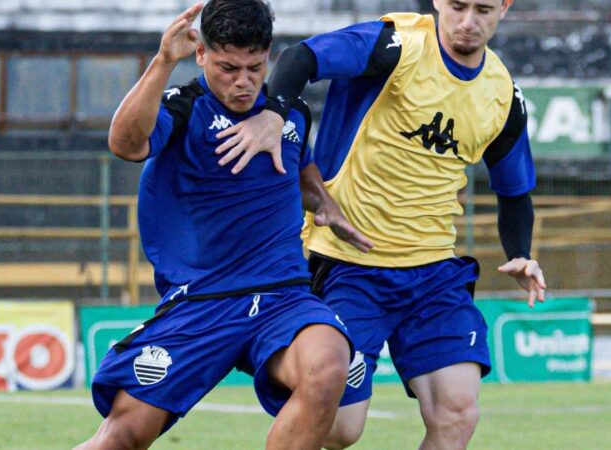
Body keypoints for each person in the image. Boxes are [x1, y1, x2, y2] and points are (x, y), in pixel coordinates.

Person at [213, 0, 547, 449]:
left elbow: (514, 192)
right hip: (348, 265)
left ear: (505, 6)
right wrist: (273, 114)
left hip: (433, 274)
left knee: (458, 412)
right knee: (340, 429)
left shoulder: (503, 95)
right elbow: (301, 57)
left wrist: (520, 253)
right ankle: (265, 345)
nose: (468, 22)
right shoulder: (394, 45)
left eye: (483, 9)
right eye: (458, 6)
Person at [74, 2, 373, 449]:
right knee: (123, 436)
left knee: (328, 365)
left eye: (254, 67)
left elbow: (301, 173)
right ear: (202, 55)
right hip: (203, 301)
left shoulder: (288, 115)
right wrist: (163, 61)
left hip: (282, 296)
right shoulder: (184, 109)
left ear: (268, 55)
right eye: (228, 67)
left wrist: (325, 204)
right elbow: (125, 143)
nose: (243, 81)